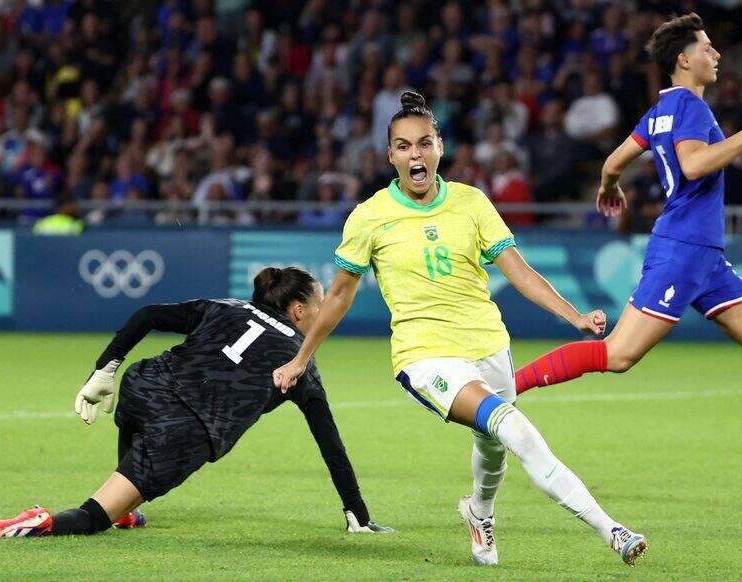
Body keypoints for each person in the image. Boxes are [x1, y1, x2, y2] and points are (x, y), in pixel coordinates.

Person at [273, 91, 648, 568]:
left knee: (494, 450)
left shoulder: (471, 203)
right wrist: (301, 358)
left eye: (424, 143)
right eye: (404, 146)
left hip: (489, 344)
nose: (415, 154)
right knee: (517, 430)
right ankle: (611, 530)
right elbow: (342, 293)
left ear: (439, 148)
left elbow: (519, 270)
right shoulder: (369, 217)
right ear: (390, 155)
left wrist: (572, 316)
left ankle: (478, 512)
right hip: (425, 357)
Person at [514, 14, 742, 503]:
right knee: (618, 355)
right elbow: (694, 164)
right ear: (684, 59)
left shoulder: (659, 111)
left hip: (706, 261)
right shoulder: (693, 110)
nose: (716, 54)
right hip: (682, 252)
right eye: (707, 47)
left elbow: (615, 162)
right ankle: (506, 390)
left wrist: (609, 187)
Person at [0, 267, 393, 538]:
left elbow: (148, 314)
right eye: (321, 305)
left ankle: (126, 511)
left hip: (143, 384)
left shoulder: (226, 307)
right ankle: (35, 523)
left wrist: (105, 368)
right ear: (299, 310)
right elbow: (330, 443)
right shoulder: (299, 359)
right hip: (184, 430)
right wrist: (356, 511)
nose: (325, 314)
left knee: (135, 436)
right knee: (90, 517)